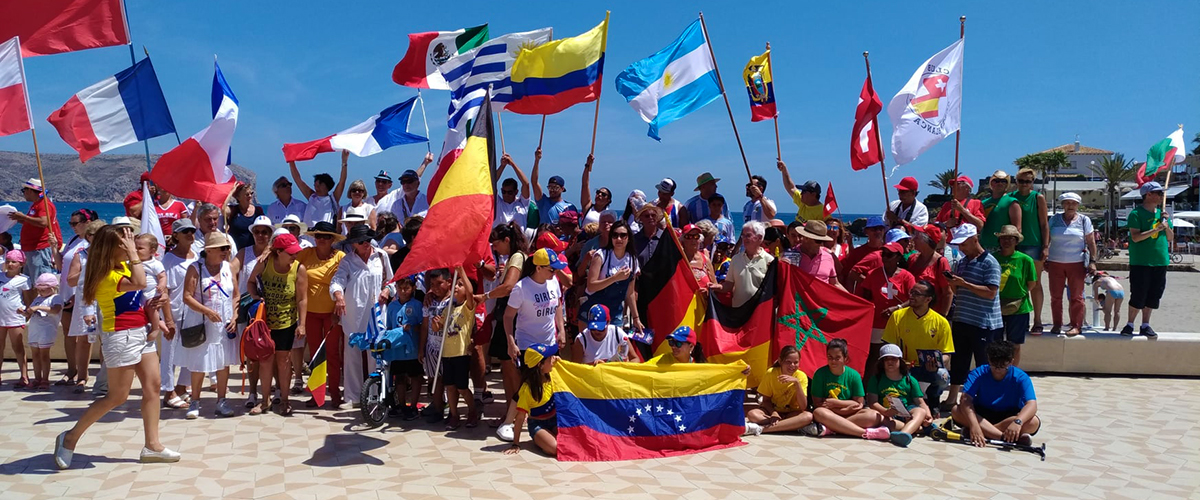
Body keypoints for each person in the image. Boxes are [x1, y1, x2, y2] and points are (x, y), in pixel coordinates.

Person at [54, 225, 180, 469]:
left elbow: (141, 296)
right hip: (120, 336)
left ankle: (152, 445)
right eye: (123, 244)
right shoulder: (106, 276)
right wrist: (134, 253)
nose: (128, 247)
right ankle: (69, 438)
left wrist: (158, 308)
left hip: (141, 333)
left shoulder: (121, 267)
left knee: (153, 387)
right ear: (110, 249)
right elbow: (141, 282)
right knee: (117, 396)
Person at [499, 248, 566, 439]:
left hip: (549, 342)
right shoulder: (521, 288)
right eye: (551, 269)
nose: (555, 272)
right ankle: (507, 422)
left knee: (550, 382)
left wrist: (560, 329)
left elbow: (558, 305)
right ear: (538, 267)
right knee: (527, 384)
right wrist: (510, 342)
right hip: (528, 345)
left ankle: (549, 417)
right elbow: (508, 316)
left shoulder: (553, 282)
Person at [330, 224, 393, 408]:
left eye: (367, 240)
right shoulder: (347, 261)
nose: (365, 244)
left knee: (377, 355)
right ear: (353, 244)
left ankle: (376, 395)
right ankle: (352, 396)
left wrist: (388, 290)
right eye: (360, 242)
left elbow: (392, 280)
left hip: (377, 313)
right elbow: (337, 281)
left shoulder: (381, 256)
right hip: (353, 313)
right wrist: (339, 296)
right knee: (352, 355)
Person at [247, 232, 309, 416]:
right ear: (279, 252)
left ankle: (285, 400)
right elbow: (250, 282)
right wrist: (255, 297)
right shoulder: (264, 263)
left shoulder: (299, 269)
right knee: (265, 361)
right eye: (290, 252)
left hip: (286, 322)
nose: (294, 255)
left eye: (295, 252)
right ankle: (264, 400)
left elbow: (302, 299)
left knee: (283, 362)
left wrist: (302, 324)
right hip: (264, 322)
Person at [180, 232, 240, 419]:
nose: (226, 251)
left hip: (224, 324)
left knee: (223, 363)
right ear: (210, 250)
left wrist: (235, 315)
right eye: (222, 248)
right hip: (201, 323)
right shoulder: (195, 268)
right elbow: (187, 296)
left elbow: (236, 295)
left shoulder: (228, 268)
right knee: (199, 363)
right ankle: (195, 401)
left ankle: (221, 400)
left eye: (227, 248)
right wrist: (206, 311)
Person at [944, 224, 1003, 411]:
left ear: (975, 239)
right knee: (959, 361)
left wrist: (965, 284)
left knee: (983, 363)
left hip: (983, 322)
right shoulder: (962, 262)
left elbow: (991, 292)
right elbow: (959, 290)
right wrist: (954, 284)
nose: (961, 248)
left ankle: (983, 399)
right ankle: (953, 397)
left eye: (964, 244)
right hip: (962, 318)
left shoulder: (990, 262)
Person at [483, 224, 528, 438]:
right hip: (507, 316)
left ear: (507, 240)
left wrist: (486, 297)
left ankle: (518, 413)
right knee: (506, 368)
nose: (494, 246)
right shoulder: (513, 258)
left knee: (511, 369)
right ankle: (512, 413)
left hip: (511, 317)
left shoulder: (517, 258)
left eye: (497, 242)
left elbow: (509, 287)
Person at [949, 340, 1041, 446]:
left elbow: (1031, 404)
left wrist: (1018, 422)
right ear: (989, 359)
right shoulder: (978, 373)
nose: (997, 370)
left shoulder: (1021, 377)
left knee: (1033, 422)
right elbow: (965, 399)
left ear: (1011, 362)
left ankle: (984, 432)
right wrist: (974, 424)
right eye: (994, 365)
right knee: (956, 410)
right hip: (982, 414)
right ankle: (1003, 437)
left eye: (1002, 366)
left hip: (1009, 416)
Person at [881, 280, 954, 409]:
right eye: (911, 292)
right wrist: (900, 362)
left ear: (928, 299)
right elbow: (888, 347)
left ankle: (933, 399)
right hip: (905, 366)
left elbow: (947, 354)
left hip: (929, 368)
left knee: (943, 376)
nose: (911, 296)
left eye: (916, 293)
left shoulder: (941, 322)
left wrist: (936, 363)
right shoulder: (897, 316)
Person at [296, 222, 346, 406]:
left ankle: (334, 393)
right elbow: (287, 261)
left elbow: (345, 283)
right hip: (310, 313)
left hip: (331, 314)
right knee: (316, 356)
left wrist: (337, 311)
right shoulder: (306, 254)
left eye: (326, 236)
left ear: (333, 239)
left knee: (332, 354)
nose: (322, 240)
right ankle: (316, 394)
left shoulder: (341, 257)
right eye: (318, 236)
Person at [427, 266, 479, 429]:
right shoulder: (448, 309)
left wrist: (462, 270)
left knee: (462, 387)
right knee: (449, 386)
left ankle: (472, 411)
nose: (456, 287)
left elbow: (470, 293)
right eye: (455, 284)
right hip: (446, 354)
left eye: (460, 285)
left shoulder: (468, 307)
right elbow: (438, 328)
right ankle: (454, 415)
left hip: (461, 354)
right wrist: (435, 324)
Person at [857, 241, 916, 379]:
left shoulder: (907, 276)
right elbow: (865, 297)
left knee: (896, 358)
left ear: (898, 257)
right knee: (874, 357)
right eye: (883, 254)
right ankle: (867, 392)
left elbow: (913, 299)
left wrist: (897, 308)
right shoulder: (873, 274)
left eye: (889, 255)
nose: (884, 257)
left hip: (899, 324)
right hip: (877, 323)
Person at [809, 338, 888, 440]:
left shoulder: (854, 375)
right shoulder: (820, 374)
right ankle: (865, 433)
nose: (833, 361)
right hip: (829, 414)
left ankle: (832, 428)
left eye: (837, 358)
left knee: (873, 415)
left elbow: (859, 404)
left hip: (849, 414)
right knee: (818, 413)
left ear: (845, 358)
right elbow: (818, 403)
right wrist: (847, 406)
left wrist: (835, 403)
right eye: (830, 357)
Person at [1123, 181, 1172, 338]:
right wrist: (1156, 229)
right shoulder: (1136, 214)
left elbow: (1170, 238)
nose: (1161, 196)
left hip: (1160, 260)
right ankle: (1130, 323)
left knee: (1154, 295)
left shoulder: (1162, 214)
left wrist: (1167, 225)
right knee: (1138, 294)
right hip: (1141, 261)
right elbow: (1136, 237)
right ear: (1148, 195)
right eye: (1158, 193)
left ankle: (1145, 324)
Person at [1045, 193, 1097, 336]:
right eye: (1067, 203)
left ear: (1078, 205)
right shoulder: (1054, 219)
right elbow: (1047, 238)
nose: (1070, 206)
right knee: (1055, 296)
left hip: (1077, 263)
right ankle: (1057, 324)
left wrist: (1093, 261)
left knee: (1077, 297)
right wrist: (1045, 257)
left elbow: (1091, 242)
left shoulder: (1084, 220)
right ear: (1062, 204)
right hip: (1055, 262)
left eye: (1073, 203)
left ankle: (1076, 325)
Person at [56, 209, 98, 386]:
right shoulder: (73, 241)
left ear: (88, 223)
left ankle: (83, 374)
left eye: (75, 223)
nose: (72, 227)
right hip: (67, 291)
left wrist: (76, 294)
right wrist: (53, 248)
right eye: (71, 224)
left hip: (80, 295)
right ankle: (71, 369)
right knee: (68, 333)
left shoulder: (90, 249)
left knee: (84, 336)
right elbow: (61, 266)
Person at [161, 219, 198, 410]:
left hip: (192, 312)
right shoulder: (169, 259)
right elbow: (164, 290)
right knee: (170, 353)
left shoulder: (197, 255)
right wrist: (167, 319)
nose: (190, 235)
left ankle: (182, 386)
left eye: (192, 231)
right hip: (174, 311)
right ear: (176, 235)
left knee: (190, 351)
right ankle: (168, 391)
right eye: (185, 232)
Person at [66, 219, 106, 393]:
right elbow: (70, 279)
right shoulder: (80, 255)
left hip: (105, 299)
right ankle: (82, 376)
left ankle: (107, 377)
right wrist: (89, 270)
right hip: (86, 300)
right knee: (83, 339)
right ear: (89, 237)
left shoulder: (109, 256)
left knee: (106, 340)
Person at [866, 344, 933, 447]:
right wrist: (886, 412)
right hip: (887, 414)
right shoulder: (876, 379)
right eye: (886, 359)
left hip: (907, 411)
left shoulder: (910, 380)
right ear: (881, 362)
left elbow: (920, 402)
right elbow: (872, 402)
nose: (890, 362)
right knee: (880, 420)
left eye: (893, 359)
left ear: (900, 361)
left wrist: (928, 415)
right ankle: (916, 428)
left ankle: (904, 434)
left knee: (921, 411)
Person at [581, 220, 642, 333]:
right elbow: (591, 286)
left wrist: (636, 318)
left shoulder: (632, 260)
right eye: (615, 235)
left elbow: (630, 293)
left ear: (629, 238)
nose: (619, 239)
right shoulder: (601, 255)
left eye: (623, 235)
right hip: (594, 308)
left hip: (615, 312)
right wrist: (614, 278)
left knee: (614, 347)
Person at [1008, 168, 1049, 334]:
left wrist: (1045, 246)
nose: (1025, 184)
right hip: (1014, 245)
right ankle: (1020, 318)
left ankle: (1037, 320)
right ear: (1016, 181)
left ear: (1033, 182)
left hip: (1033, 244)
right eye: (1021, 181)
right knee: (1017, 283)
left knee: (1036, 283)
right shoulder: (1010, 198)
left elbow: (1044, 224)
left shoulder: (1037, 198)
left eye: (1028, 181)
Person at [744, 345, 816, 435]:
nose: (792, 366)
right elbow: (765, 401)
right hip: (773, 412)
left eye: (795, 362)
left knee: (808, 416)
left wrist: (797, 384)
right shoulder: (771, 373)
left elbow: (803, 406)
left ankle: (763, 429)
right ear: (780, 361)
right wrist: (774, 413)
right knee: (752, 414)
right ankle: (789, 426)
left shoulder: (801, 376)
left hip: (791, 413)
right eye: (788, 362)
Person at [503, 343, 560, 456]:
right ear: (540, 365)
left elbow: (574, 372)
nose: (553, 359)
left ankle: (545, 439)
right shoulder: (527, 389)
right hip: (538, 424)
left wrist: (595, 366)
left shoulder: (554, 374)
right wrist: (516, 443)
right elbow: (520, 418)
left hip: (555, 420)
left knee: (572, 441)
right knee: (555, 449)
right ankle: (539, 439)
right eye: (550, 358)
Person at [9, 179, 62, 295]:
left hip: (39, 248)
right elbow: (35, 224)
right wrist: (20, 219)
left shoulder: (44, 205)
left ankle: (45, 307)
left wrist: (24, 217)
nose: (23, 193)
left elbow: (43, 222)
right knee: (30, 282)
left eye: (24, 190)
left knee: (41, 282)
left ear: (31, 191)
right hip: (31, 248)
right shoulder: (36, 205)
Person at [993, 225, 1036, 366]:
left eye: (1010, 238)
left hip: (1019, 307)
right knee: (996, 343)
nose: (1006, 241)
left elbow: (1031, 283)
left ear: (1016, 241)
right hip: (995, 306)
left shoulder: (1025, 260)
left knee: (1015, 344)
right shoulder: (993, 259)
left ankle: (1012, 371)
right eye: (1003, 238)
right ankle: (997, 368)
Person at [384, 275, 423, 420]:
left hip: (412, 349)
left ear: (412, 288)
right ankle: (401, 405)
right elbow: (389, 326)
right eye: (400, 288)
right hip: (397, 349)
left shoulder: (417, 305)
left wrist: (411, 327)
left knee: (415, 377)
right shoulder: (392, 306)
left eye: (406, 288)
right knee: (399, 378)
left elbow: (422, 325)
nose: (403, 291)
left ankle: (413, 406)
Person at [713, 221, 774, 308]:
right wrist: (716, 287)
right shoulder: (735, 259)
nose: (744, 239)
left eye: (748, 235)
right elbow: (729, 285)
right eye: (743, 235)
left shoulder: (769, 260)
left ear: (759, 238)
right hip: (738, 313)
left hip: (760, 312)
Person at [290, 150, 349, 226]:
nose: (316, 186)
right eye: (315, 184)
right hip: (310, 235)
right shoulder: (312, 197)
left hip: (327, 234)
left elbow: (342, 181)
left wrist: (344, 161)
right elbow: (298, 180)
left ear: (327, 186)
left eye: (320, 184)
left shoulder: (333, 198)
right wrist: (291, 162)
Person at [26, 273, 62, 391]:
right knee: (35, 355)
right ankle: (37, 378)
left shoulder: (56, 298)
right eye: (39, 289)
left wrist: (38, 308)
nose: (40, 292)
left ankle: (45, 379)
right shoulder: (37, 299)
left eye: (43, 289)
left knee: (44, 355)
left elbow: (56, 310)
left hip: (46, 330)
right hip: (35, 329)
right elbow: (30, 312)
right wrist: (24, 312)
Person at [906, 225, 953, 316]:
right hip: (911, 314)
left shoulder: (941, 262)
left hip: (931, 315)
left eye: (917, 237)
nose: (913, 239)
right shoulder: (912, 259)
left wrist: (942, 317)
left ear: (926, 241)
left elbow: (947, 293)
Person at [0, 250, 30, 388]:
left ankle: (24, 375)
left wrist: (27, 313)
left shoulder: (24, 280)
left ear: (21, 264)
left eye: (14, 262)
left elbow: (28, 299)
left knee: (17, 346)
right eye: (8, 261)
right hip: (0, 318)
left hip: (14, 318)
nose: (10, 264)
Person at [376, 153, 436, 220]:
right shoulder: (395, 204)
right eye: (403, 182)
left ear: (418, 183)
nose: (406, 184)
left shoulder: (428, 201)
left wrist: (425, 163)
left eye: (409, 181)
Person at [530, 148, 578, 225]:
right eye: (550, 187)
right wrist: (537, 160)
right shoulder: (543, 202)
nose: (552, 190)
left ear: (562, 189)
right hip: (546, 236)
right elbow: (534, 182)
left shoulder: (569, 207)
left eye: (555, 187)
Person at [841, 216, 887, 292]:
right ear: (866, 231)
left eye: (880, 229)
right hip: (864, 296)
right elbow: (849, 276)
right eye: (874, 229)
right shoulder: (857, 252)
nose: (878, 231)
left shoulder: (890, 252)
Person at [792, 220, 841, 288]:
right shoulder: (790, 255)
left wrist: (851, 298)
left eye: (823, 241)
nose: (821, 244)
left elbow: (835, 283)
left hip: (822, 298)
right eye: (818, 241)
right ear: (806, 238)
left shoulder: (828, 257)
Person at [979, 170, 1019, 250]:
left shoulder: (1011, 202)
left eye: (1003, 181)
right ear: (991, 183)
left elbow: (1017, 228)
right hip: (984, 245)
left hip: (1003, 247)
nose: (999, 183)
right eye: (996, 181)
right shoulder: (983, 203)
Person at [495, 154, 533, 231]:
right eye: (504, 192)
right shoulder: (498, 203)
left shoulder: (522, 203)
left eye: (509, 192)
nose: (506, 195)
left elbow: (526, 184)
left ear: (516, 192)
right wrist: (502, 166)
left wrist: (512, 164)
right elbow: (491, 182)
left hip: (517, 241)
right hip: (500, 240)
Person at [577, 155, 612, 227]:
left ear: (608, 200)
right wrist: (587, 165)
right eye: (598, 192)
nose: (599, 195)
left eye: (603, 194)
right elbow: (585, 185)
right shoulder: (588, 207)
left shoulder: (609, 215)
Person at [681, 224, 715, 289]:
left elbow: (714, 285)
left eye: (696, 236)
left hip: (703, 298)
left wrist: (707, 291)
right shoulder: (678, 260)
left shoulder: (705, 260)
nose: (693, 240)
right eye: (689, 236)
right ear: (683, 239)